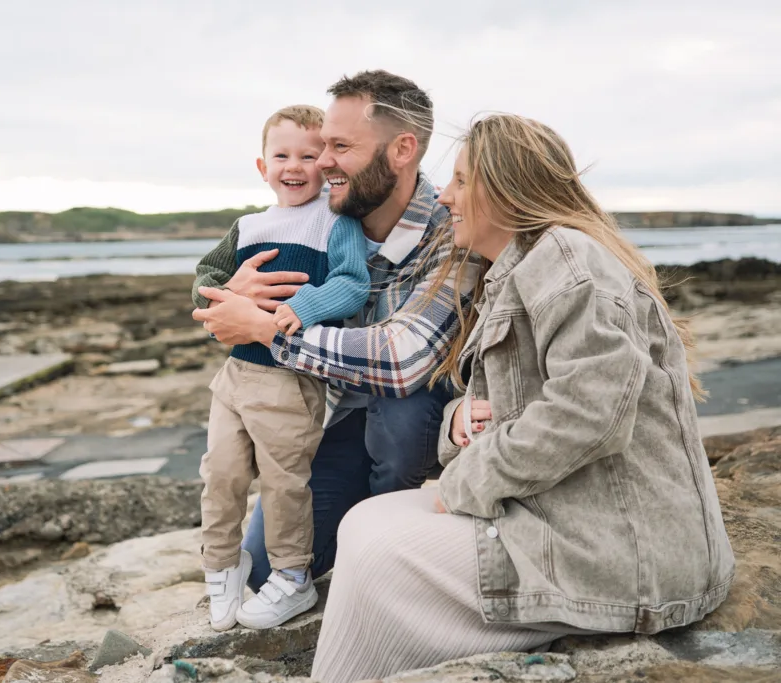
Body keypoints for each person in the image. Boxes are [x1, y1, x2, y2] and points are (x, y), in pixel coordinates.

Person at [310, 113, 735, 683]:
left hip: (631, 557)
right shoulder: (517, 269)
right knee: (364, 522)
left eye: (460, 182)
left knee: (382, 550)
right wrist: (462, 416)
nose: (445, 199)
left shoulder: (568, 261)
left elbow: (590, 414)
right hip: (573, 515)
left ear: (504, 189)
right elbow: (517, 399)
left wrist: (465, 483)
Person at [192, 70, 481, 594]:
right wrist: (231, 297)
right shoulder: (314, 226)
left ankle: (392, 555)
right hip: (343, 413)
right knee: (262, 573)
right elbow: (225, 305)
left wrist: (266, 329)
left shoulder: (454, 233)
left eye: (339, 146)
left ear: (402, 150)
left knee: (400, 407)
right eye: (321, 145)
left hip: (426, 420)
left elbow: (402, 360)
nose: (321, 162)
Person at [195, 104, 371, 631]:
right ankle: (222, 565)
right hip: (234, 375)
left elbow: (352, 283)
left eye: (308, 155)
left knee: (284, 483)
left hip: (290, 378)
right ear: (261, 165)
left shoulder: (336, 222)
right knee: (219, 475)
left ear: (326, 163)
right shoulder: (247, 226)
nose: (294, 166)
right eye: (281, 155)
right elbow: (208, 273)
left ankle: (293, 577)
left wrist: (301, 308)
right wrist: (225, 293)